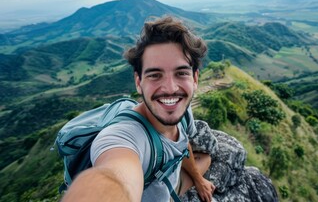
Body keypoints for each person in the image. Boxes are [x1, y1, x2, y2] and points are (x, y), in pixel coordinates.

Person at [61, 16, 215, 202]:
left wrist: (199, 180)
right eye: (155, 75)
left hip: (168, 183)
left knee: (206, 159)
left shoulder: (182, 111)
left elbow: (183, 144)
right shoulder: (122, 137)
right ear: (138, 82)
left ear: (195, 79)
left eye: (181, 73)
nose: (170, 88)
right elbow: (115, 176)